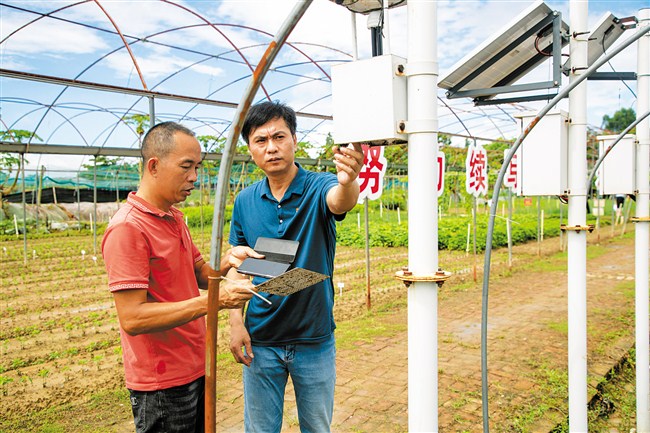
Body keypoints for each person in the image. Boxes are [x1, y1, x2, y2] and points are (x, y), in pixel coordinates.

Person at [101, 121, 262, 433]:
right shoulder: (128, 228)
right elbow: (132, 318)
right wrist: (216, 301)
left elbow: (200, 273)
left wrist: (230, 259)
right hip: (162, 383)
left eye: (197, 166)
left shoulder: (174, 217)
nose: (194, 177)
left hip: (194, 365)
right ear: (154, 166)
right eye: (186, 166)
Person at [226, 101, 364, 433]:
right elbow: (237, 264)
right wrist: (235, 323)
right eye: (261, 140)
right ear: (250, 149)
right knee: (260, 429)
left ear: (294, 141)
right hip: (261, 340)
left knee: (316, 427)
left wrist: (349, 181)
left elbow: (339, 200)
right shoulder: (245, 200)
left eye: (279, 137)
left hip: (312, 339)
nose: (271, 147)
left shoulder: (318, 186)